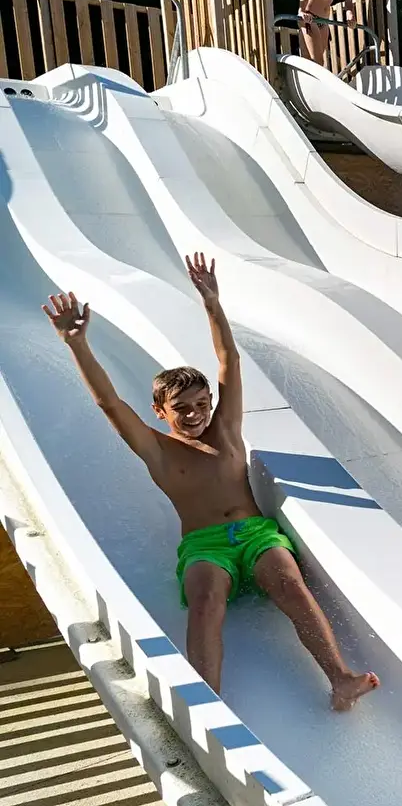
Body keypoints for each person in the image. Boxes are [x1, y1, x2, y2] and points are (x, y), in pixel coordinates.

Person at [42, 254, 379, 711]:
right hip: (205, 547)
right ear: (160, 412)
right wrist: (77, 344)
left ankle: (340, 678)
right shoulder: (158, 449)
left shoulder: (226, 431)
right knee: (204, 602)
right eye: (181, 408)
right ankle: (209, 705)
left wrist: (212, 303)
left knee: (290, 584)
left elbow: (228, 360)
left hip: (257, 535)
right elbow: (109, 403)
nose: (195, 414)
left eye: (202, 403)